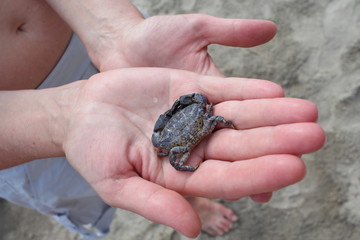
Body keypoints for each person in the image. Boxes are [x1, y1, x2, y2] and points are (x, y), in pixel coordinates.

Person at [0, 0, 325, 238]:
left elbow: (178, 148)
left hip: (85, 35)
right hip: (17, 135)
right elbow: (210, 124)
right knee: (101, 177)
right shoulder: (204, 120)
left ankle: (194, 196)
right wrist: (55, 120)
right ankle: (194, 200)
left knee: (160, 166)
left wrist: (112, 30)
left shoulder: (172, 141)